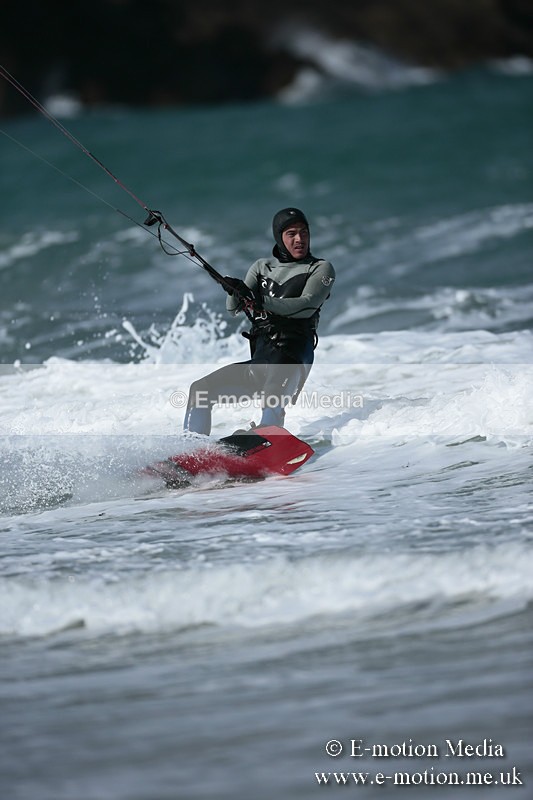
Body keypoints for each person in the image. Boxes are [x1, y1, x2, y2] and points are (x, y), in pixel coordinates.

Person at [183, 207, 335, 435]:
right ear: (279, 237)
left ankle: (268, 434)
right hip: (262, 359)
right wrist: (235, 290)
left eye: (304, 232)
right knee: (200, 390)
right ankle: (191, 446)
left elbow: (306, 305)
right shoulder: (262, 267)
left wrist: (260, 301)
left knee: (273, 392)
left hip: (293, 354)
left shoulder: (320, 268)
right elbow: (232, 309)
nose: (299, 239)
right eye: (291, 234)